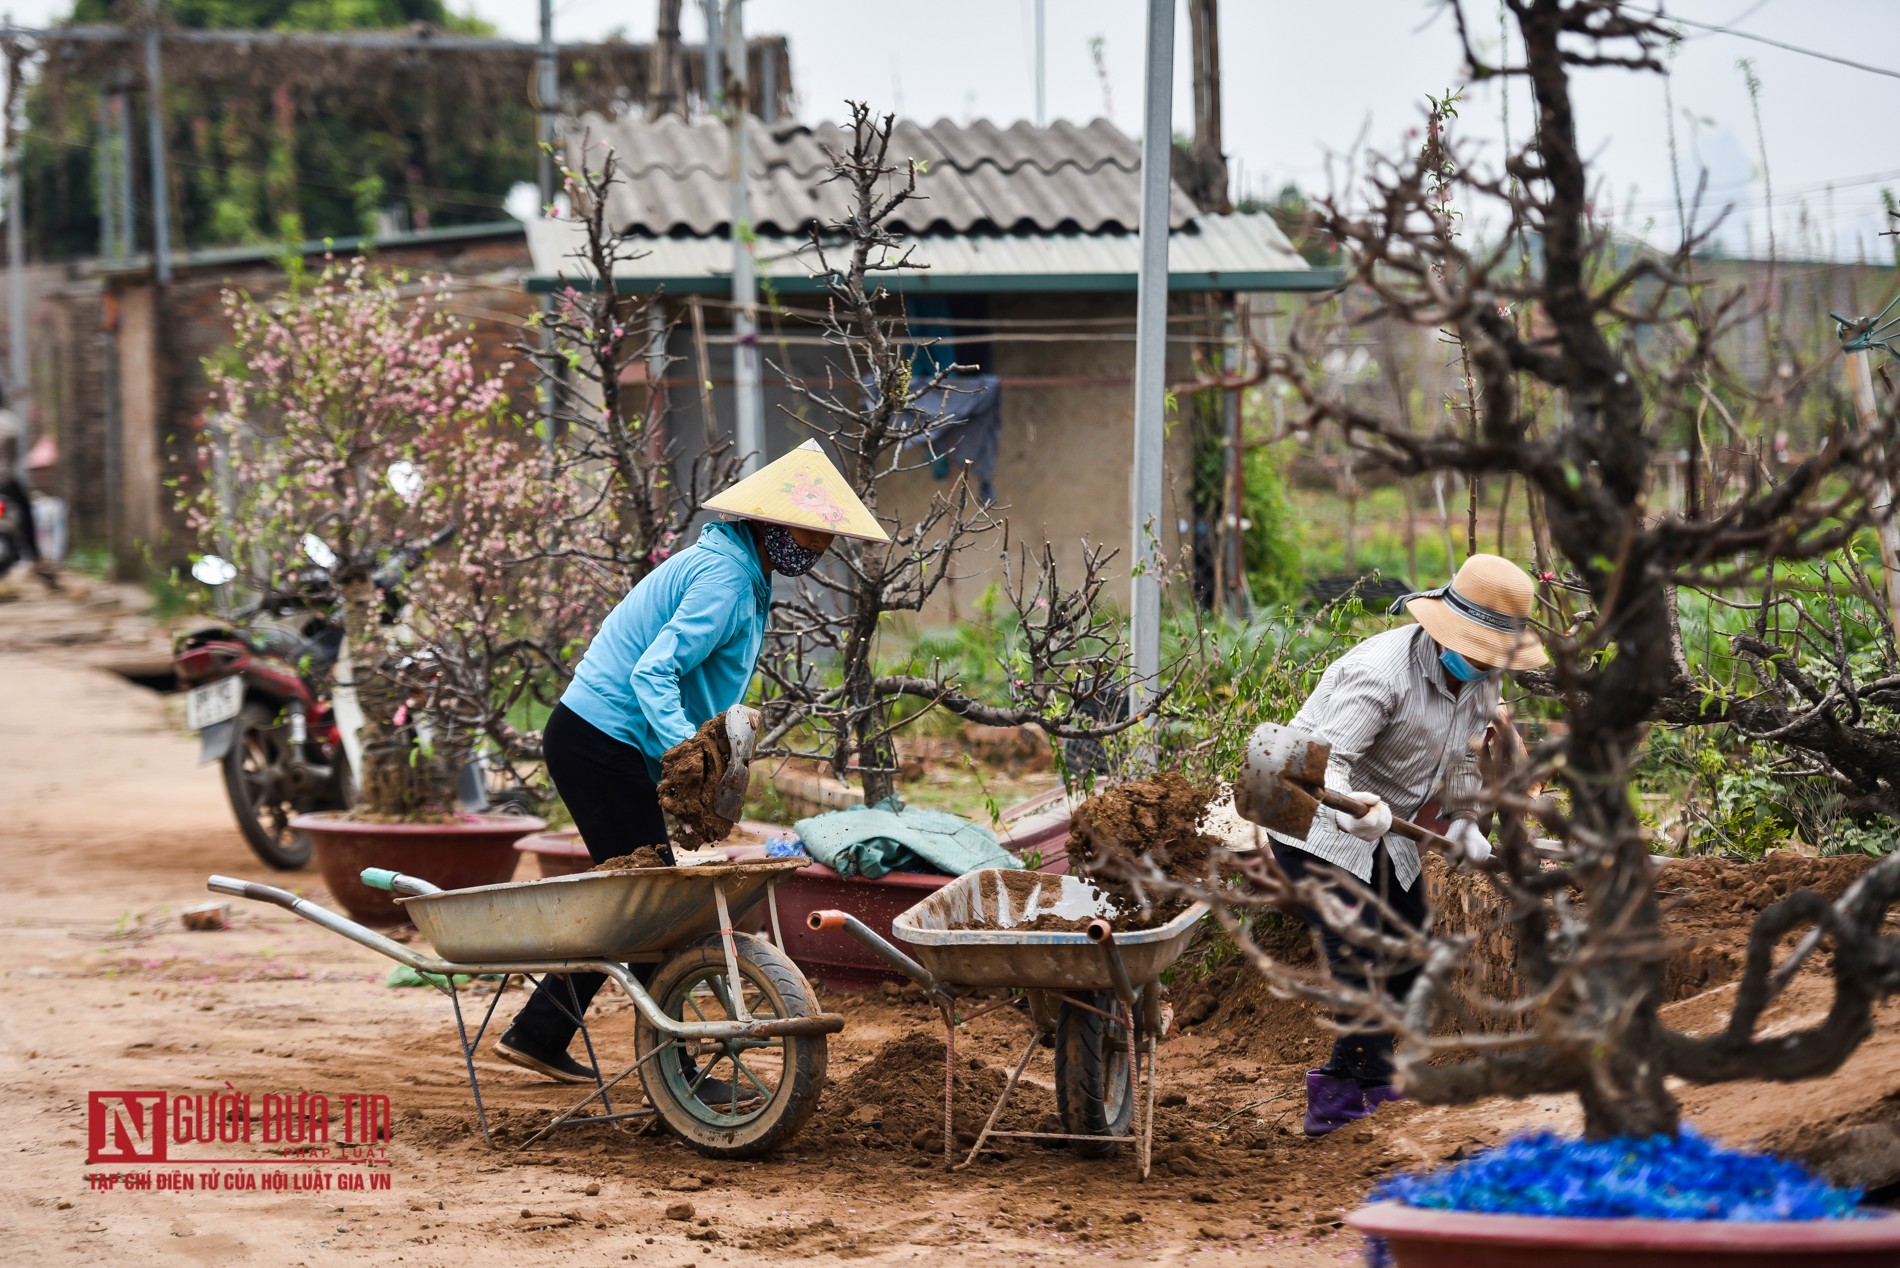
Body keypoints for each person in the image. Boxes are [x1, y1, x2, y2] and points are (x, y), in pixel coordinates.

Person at [494, 440, 888, 1084]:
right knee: (650, 899)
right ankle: (672, 1068)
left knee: (637, 898)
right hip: (599, 741)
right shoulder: (728, 580)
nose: (817, 551)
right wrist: (687, 754)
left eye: (826, 540)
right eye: (809, 535)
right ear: (769, 522)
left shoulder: (740, 573)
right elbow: (655, 671)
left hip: (608, 741)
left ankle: (541, 1031)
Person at [1265, 553, 1547, 1136]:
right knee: (1363, 949)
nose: (1483, 666)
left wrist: (1466, 818)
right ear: (1447, 629)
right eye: (1477, 652)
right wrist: (1352, 812)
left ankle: (1365, 1079)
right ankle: (1344, 1101)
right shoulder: (1381, 672)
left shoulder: (1481, 674)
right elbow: (1323, 762)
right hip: (1299, 803)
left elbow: (1467, 749)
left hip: (1385, 824)